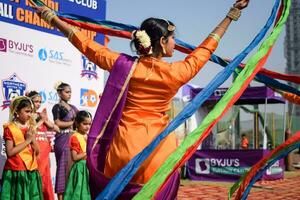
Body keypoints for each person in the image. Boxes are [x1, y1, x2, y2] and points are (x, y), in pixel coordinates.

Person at [34, 0, 249, 198]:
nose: (175, 43)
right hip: (158, 152)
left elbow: (87, 45)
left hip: (123, 149)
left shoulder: (125, 66)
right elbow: (205, 49)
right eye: (172, 38)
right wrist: (231, 15)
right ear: (162, 42)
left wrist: (53, 19)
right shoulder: (177, 72)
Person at [0, 96, 43, 199]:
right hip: (16, 171)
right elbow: (10, 152)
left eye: (31, 112)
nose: (30, 115)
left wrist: (32, 139)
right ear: (16, 112)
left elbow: (37, 151)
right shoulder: (10, 128)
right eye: (27, 111)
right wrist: (27, 140)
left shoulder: (30, 128)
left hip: (31, 170)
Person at [27, 90, 58, 200]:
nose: (38, 104)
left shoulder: (41, 115)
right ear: (29, 101)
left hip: (45, 151)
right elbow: (30, 130)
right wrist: (41, 121)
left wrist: (46, 120)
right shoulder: (26, 115)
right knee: (35, 176)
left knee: (45, 180)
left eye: (40, 102)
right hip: (34, 150)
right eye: (36, 101)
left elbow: (56, 128)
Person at [52, 82, 78, 200]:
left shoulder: (73, 108)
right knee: (62, 169)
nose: (69, 94)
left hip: (72, 140)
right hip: (62, 140)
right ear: (59, 93)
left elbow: (81, 119)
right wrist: (73, 123)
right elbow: (57, 123)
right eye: (67, 92)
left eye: (70, 92)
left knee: (72, 169)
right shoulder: (57, 107)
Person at [64, 111, 92, 200]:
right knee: (78, 192)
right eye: (85, 124)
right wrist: (88, 152)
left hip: (88, 168)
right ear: (77, 123)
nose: (87, 126)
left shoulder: (89, 136)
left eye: (89, 124)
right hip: (80, 168)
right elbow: (75, 157)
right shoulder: (75, 137)